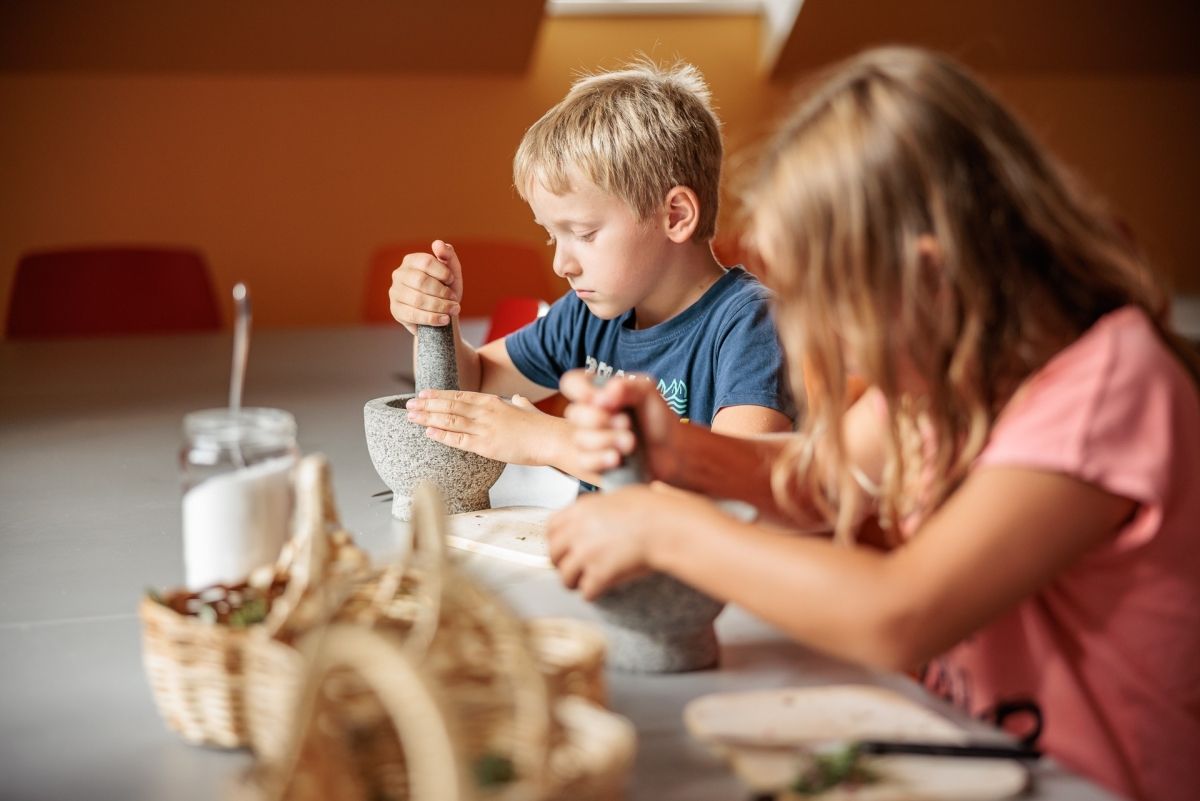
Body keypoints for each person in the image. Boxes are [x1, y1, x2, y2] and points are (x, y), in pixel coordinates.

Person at [547, 47, 1200, 801]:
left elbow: (900, 612)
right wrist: (677, 448)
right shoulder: (951, 366)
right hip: (966, 753)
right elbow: (822, 478)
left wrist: (667, 532)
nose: (812, 337)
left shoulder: (1105, 389)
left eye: (829, 301)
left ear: (928, 273)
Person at [389, 60, 794, 486]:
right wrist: (432, 321)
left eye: (583, 233)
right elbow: (475, 382)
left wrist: (558, 443)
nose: (561, 264)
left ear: (674, 215)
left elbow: (738, 490)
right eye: (552, 237)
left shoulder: (752, 324)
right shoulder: (590, 315)